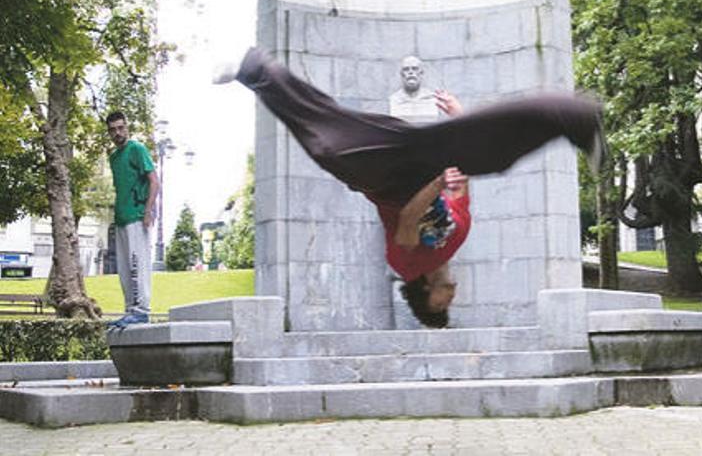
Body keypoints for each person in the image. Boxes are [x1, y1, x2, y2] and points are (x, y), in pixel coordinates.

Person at [215, 48, 606, 327]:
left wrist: (438, 176)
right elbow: (459, 177)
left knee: (328, 144)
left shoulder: (407, 265)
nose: (449, 299)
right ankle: (575, 117)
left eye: (441, 306)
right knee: (490, 157)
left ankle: (257, 71)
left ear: (425, 297)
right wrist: (459, 121)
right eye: (447, 304)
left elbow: (408, 218)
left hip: (384, 177)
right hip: (418, 160)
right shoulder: (460, 232)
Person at [105, 111, 160, 330]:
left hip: (137, 217)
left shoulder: (137, 149)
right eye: (112, 129)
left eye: (121, 127)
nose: (117, 132)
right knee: (125, 268)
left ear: (127, 127)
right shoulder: (114, 157)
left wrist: (148, 211)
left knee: (138, 264)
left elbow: (154, 181)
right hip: (121, 218)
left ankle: (141, 311)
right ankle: (130, 310)